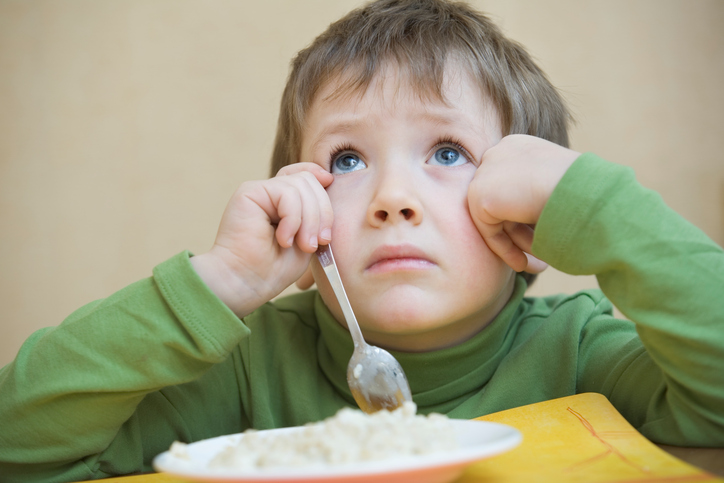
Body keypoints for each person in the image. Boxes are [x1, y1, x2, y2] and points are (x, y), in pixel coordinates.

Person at [1, 0, 723, 481]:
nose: (392, 199)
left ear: (530, 224)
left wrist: (591, 206)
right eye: (347, 160)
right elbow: (19, 447)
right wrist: (217, 281)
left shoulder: (578, 350)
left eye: (446, 151)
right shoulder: (251, 369)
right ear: (301, 212)